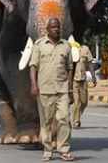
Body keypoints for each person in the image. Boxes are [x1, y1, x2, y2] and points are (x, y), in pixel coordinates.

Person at [29, 18, 74, 161]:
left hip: (62, 89)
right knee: (46, 121)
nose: (56, 29)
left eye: (58, 27)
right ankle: (48, 150)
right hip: (45, 89)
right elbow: (33, 67)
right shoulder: (39, 45)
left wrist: (71, 88)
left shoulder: (66, 46)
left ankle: (64, 149)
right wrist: (34, 85)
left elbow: (70, 68)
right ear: (47, 30)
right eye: (53, 27)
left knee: (64, 119)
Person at [72, 44, 97, 128]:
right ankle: (76, 120)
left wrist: (93, 77)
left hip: (83, 79)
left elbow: (90, 64)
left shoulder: (85, 49)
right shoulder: (68, 47)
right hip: (73, 80)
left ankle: (77, 115)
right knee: (77, 102)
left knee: (84, 102)